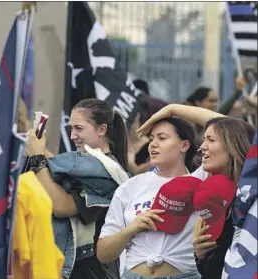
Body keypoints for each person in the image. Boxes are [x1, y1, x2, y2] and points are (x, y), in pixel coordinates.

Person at [137, 104, 255, 279]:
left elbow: (233, 126)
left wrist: (173, 109)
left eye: (211, 140)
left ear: (232, 144)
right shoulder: (205, 188)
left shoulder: (251, 184)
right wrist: (200, 256)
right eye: (203, 140)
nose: (202, 147)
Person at [25, 98, 129, 279]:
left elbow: (62, 207)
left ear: (101, 130)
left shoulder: (109, 173)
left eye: (79, 128)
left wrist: (37, 159)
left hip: (90, 269)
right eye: (71, 128)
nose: (73, 135)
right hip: (64, 265)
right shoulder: (74, 163)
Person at [97, 116, 203, 279]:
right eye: (152, 138)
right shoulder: (130, 186)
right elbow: (103, 254)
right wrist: (132, 229)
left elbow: (229, 129)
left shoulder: (201, 184)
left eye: (162, 138)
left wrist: (172, 109)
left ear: (184, 145)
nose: (153, 144)